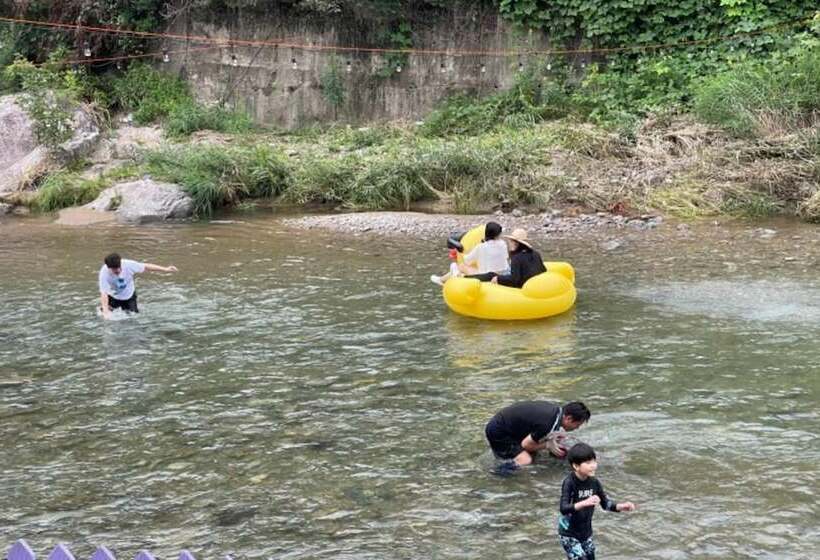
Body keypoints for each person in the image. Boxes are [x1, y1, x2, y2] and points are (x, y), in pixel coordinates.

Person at [558, 443, 636, 560]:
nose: (593, 466)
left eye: (594, 461)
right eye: (588, 463)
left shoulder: (594, 482)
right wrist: (585, 502)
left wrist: (622, 506)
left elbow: (606, 504)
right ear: (576, 466)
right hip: (569, 533)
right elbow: (563, 509)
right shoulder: (569, 482)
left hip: (586, 533)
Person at [485, 401, 590, 471]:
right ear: (569, 418)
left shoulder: (555, 413)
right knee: (525, 460)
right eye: (577, 425)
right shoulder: (548, 423)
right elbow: (526, 445)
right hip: (499, 431)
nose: (577, 428)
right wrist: (547, 445)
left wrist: (551, 441)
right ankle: (496, 473)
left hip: (508, 426)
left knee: (534, 454)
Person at [98, 253, 178, 319]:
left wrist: (166, 269)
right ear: (109, 268)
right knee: (103, 313)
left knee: (133, 318)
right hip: (113, 296)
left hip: (129, 296)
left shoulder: (128, 264)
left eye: (119, 268)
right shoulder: (104, 273)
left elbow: (146, 267)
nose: (118, 271)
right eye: (115, 271)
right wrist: (105, 312)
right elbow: (104, 293)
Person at [430, 221, 509, 286]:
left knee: (460, 266)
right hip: (502, 274)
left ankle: (447, 278)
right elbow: (505, 257)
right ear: (498, 235)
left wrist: (461, 252)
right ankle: (442, 279)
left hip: (486, 276)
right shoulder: (503, 244)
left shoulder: (481, 247)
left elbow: (467, 260)